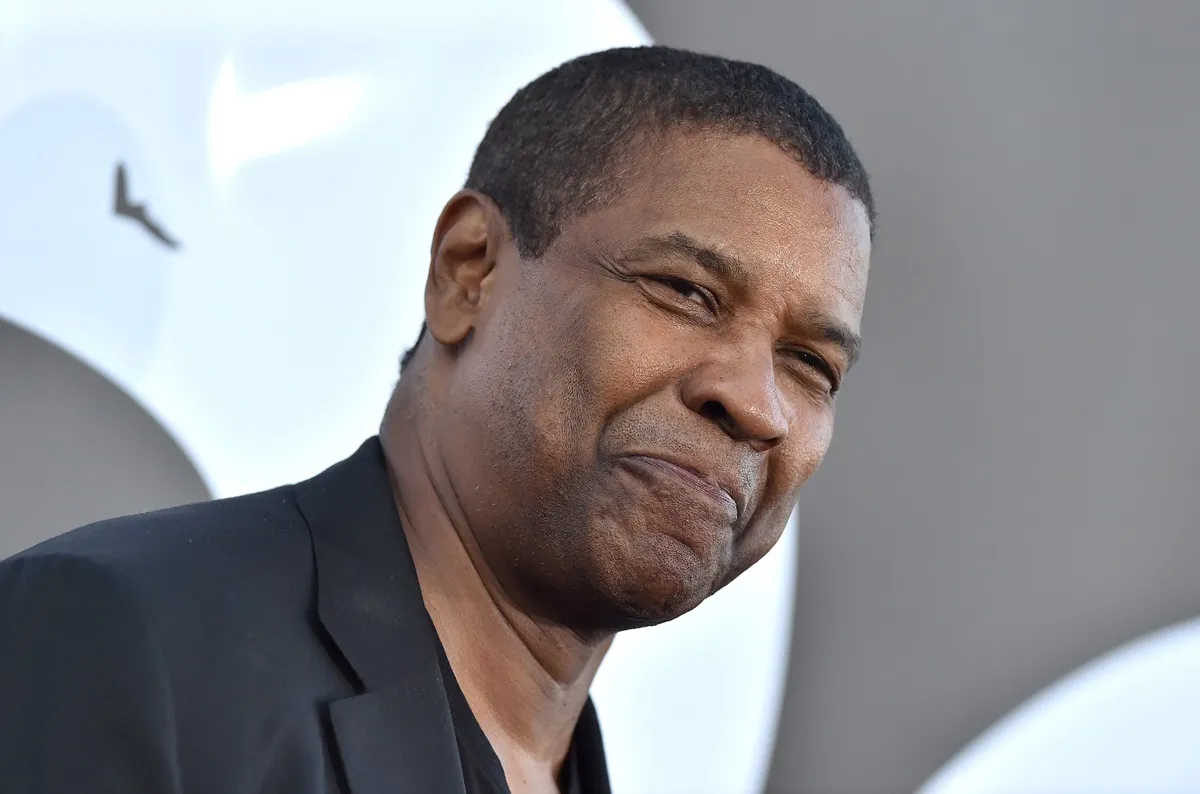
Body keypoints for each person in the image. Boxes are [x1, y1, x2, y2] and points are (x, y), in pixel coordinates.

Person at [0, 45, 873, 794]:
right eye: (686, 291)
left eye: (811, 365)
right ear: (471, 272)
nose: (755, 402)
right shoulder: (124, 637)